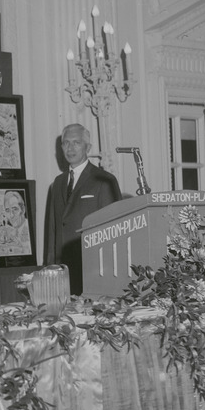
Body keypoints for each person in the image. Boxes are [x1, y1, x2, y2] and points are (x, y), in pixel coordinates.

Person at [42, 123, 121, 294]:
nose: (70, 148)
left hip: (92, 270)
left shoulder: (104, 180)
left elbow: (114, 232)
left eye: (76, 143)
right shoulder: (57, 183)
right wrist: (50, 269)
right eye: (66, 143)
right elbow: (53, 231)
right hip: (62, 274)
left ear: (88, 147)